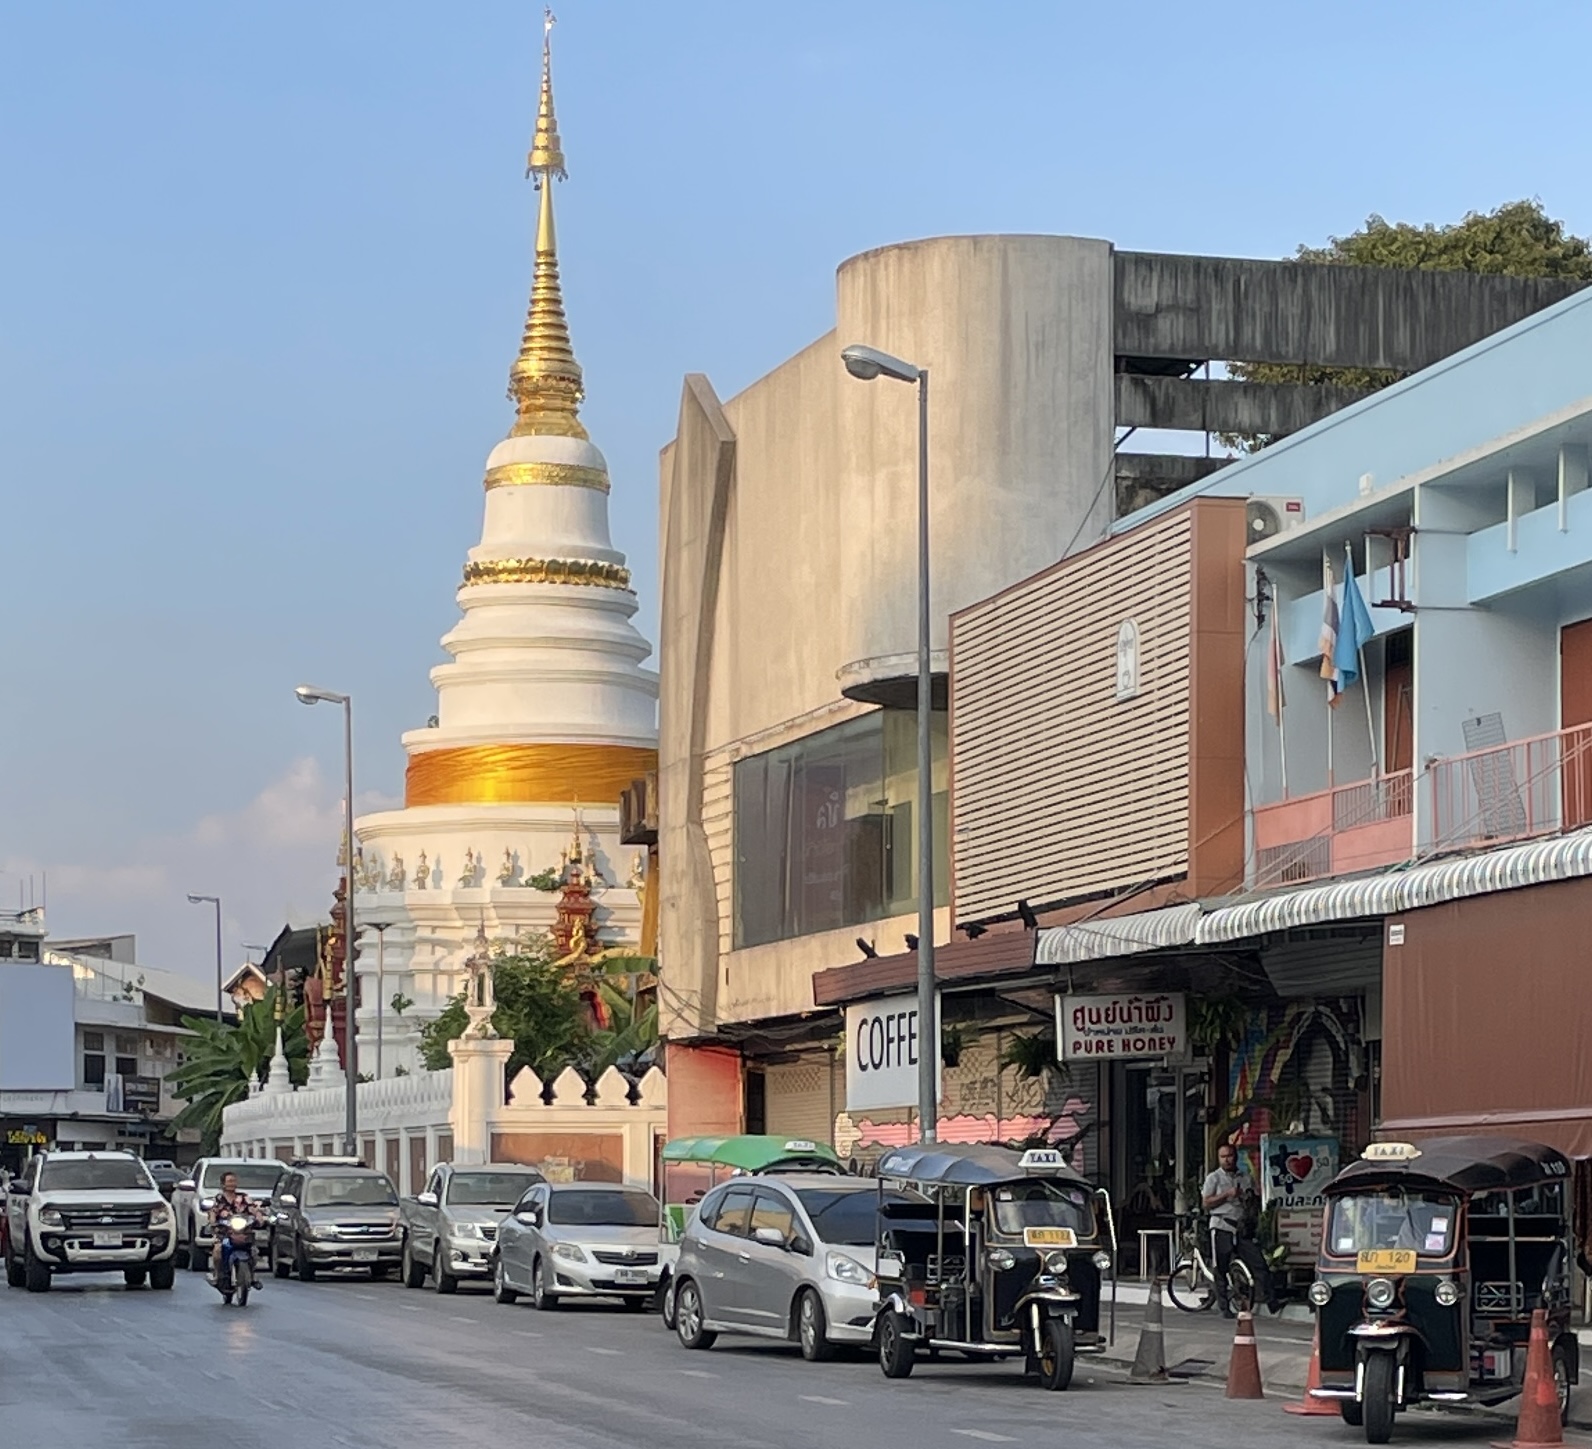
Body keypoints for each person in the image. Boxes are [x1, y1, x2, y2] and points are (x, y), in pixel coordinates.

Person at [1201, 1142, 1279, 1317]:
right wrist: (1226, 1194)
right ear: (1219, 1159)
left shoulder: (1244, 1177)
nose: (1227, 1160)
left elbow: (1253, 1199)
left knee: (1258, 1263)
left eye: (1230, 1156)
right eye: (1223, 1157)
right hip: (1222, 1226)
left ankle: (1271, 1300)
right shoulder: (1214, 1178)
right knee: (1220, 1267)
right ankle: (1224, 1307)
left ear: (1235, 1157)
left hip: (1241, 1227)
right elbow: (1206, 1203)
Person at [209, 1171, 263, 1289]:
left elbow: (254, 1209)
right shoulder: (218, 1199)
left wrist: (259, 1218)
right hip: (225, 1233)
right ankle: (217, 1276)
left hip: (244, 1233)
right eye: (229, 1181)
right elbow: (212, 1212)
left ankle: (252, 1275)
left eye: (233, 1181)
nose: (232, 1184)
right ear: (223, 1184)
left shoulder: (244, 1197)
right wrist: (213, 1223)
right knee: (218, 1252)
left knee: (254, 1252)